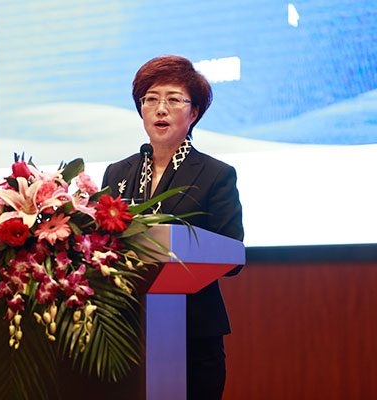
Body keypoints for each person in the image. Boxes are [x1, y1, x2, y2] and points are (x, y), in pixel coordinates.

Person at [102, 55, 244, 400]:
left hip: (193, 332)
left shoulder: (216, 175)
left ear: (194, 113)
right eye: (150, 99)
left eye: (173, 99)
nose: (160, 109)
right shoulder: (117, 173)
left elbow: (232, 254)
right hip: (123, 330)